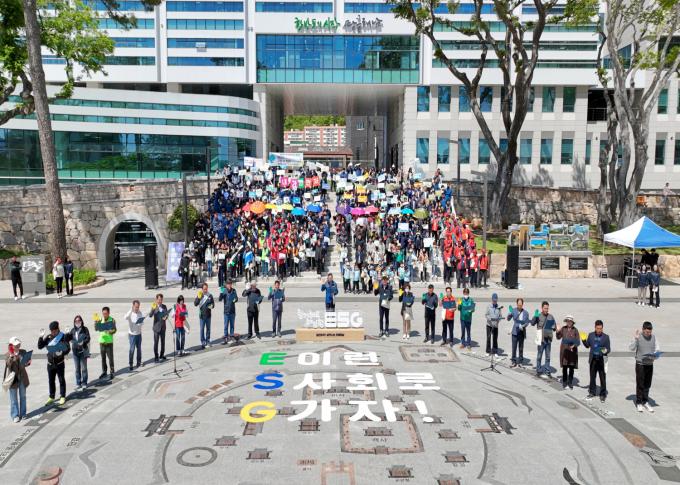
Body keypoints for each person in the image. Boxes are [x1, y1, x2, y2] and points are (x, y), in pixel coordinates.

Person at [37, 321, 71, 406]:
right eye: (52, 331)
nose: (53, 333)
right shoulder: (49, 337)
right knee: (51, 381)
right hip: (50, 363)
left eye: (54, 331)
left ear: (58, 329)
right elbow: (40, 346)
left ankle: (62, 396)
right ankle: (51, 397)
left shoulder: (63, 336)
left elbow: (68, 348)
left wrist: (62, 353)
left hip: (59, 363)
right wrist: (41, 337)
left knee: (61, 379)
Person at [629, 321, 659, 413]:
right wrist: (635, 339)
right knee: (640, 384)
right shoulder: (638, 337)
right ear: (643, 330)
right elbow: (631, 348)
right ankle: (639, 402)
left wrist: (655, 356)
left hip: (650, 364)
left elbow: (657, 349)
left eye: (650, 332)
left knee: (647, 384)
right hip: (640, 364)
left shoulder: (654, 337)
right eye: (646, 332)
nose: (648, 334)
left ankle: (645, 401)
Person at [583, 320, 610, 403]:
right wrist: (583, 340)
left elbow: (608, 349)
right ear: (595, 328)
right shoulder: (591, 335)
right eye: (598, 328)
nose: (599, 330)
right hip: (593, 359)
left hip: (601, 360)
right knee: (592, 377)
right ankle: (592, 392)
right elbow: (587, 345)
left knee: (602, 378)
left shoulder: (606, 337)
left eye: (601, 328)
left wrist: (603, 350)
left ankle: (603, 394)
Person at [4, 337, 30, 422]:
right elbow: (9, 365)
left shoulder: (23, 352)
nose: (18, 346)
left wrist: (27, 362)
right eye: (16, 345)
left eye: (19, 344)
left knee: (23, 396)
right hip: (13, 379)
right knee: (13, 399)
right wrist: (12, 356)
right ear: (11, 345)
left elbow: (26, 363)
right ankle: (15, 415)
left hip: (22, 377)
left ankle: (23, 413)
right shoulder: (8, 354)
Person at [532, 301, 557, 376]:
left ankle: (547, 370)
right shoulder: (538, 316)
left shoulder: (551, 316)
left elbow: (554, 327)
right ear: (542, 308)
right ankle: (538, 370)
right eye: (545, 308)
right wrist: (535, 316)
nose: (546, 310)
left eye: (547, 308)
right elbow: (532, 323)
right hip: (541, 339)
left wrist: (554, 327)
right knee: (539, 356)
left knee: (548, 357)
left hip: (548, 339)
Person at [556, 315, 580, 390]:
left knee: (571, 368)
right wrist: (557, 331)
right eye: (567, 321)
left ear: (572, 322)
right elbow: (558, 337)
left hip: (572, 351)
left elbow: (578, 341)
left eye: (570, 321)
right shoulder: (563, 329)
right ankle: (564, 382)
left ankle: (570, 382)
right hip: (564, 350)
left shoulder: (575, 330)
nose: (569, 322)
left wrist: (574, 345)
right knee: (565, 367)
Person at [67, 315, 90, 391]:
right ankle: (78, 383)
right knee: (77, 369)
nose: (77, 322)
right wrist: (67, 334)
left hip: (83, 351)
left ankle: (84, 383)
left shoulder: (85, 329)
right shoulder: (73, 330)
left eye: (79, 320)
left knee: (84, 368)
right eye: (76, 321)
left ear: (81, 321)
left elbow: (88, 338)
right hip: (75, 352)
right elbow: (68, 339)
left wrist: (83, 342)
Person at [507, 298, 530, 368]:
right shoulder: (513, 310)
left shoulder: (526, 313)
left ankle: (520, 361)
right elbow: (508, 319)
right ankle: (513, 361)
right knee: (514, 347)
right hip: (514, 332)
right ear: (516, 304)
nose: (519, 306)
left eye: (520, 305)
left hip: (522, 332)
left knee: (521, 348)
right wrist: (509, 314)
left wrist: (523, 326)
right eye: (518, 305)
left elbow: (527, 322)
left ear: (522, 304)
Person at [95, 306, 117, 380]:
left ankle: (112, 371)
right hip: (102, 342)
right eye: (103, 313)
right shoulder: (100, 319)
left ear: (109, 313)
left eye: (106, 313)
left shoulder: (112, 320)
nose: (104, 315)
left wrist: (109, 331)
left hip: (109, 342)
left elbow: (115, 330)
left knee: (110, 358)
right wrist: (96, 323)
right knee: (103, 358)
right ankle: (104, 371)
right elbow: (96, 329)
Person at [125, 300, 144, 371]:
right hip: (132, 335)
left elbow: (142, 321)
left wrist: (140, 323)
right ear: (133, 306)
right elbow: (125, 317)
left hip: (139, 334)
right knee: (132, 349)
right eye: (136, 307)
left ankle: (138, 362)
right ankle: (131, 364)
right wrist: (131, 310)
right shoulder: (130, 313)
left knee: (139, 349)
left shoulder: (140, 312)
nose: (137, 308)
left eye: (138, 307)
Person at [194, 282, 215, 349]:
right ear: (202, 289)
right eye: (204, 289)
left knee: (208, 329)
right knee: (202, 329)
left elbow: (213, 305)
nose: (205, 290)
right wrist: (198, 298)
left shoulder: (210, 295)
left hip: (208, 315)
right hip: (202, 316)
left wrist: (210, 306)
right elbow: (195, 304)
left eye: (206, 289)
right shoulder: (200, 294)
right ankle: (203, 342)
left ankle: (208, 341)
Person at [148, 293, 168, 362]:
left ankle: (162, 355)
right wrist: (153, 309)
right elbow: (150, 315)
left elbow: (166, 314)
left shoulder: (164, 306)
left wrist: (166, 317)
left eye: (161, 299)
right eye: (159, 299)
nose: (160, 301)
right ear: (156, 299)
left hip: (163, 327)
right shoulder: (154, 306)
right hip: (156, 328)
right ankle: (156, 356)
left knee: (163, 342)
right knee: (156, 342)